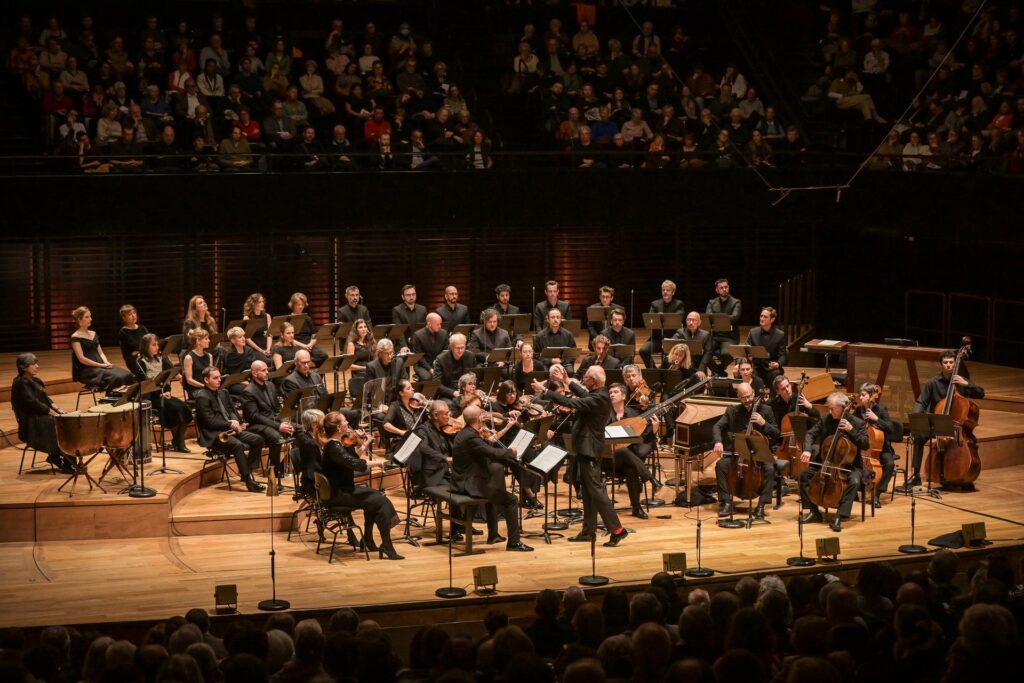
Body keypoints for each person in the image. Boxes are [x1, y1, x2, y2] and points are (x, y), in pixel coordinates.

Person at [532, 366, 629, 547]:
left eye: (585, 377)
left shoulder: (599, 397)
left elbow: (572, 403)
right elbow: (584, 393)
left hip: (590, 449)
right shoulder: (598, 393)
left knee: (596, 491)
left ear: (593, 380)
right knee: (588, 492)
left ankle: (617, 530)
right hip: (585, 448)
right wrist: (568, 381)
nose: (583, 379)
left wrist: (545, 391)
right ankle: (588, 531)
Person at [315, 411, 403, 560]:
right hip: (338, 494)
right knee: (379, 500)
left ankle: (369, 539)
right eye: (344, 421)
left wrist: (365, 443)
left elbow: (351, 458)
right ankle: (386, 545)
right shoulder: (333, 447)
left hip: (343, 489)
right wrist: (377, 462)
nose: (347, 423)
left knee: (375, 498)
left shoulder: (336, 444)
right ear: (338, 428)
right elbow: (354, 463)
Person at [452, 405, 533, 552]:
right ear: (479, 419)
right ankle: (514, 543)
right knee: (512, 500)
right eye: (483, 415)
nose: (485, 417)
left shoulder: (466, 433)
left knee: (495, 488)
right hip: (469, 485)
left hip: (464, 480)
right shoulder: (471, 437)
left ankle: (493, 534)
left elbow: (485, 447)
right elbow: (492, 452)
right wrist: (511, 452)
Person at [907, 349, 985, 487]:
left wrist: (967, 384)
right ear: (941, 364)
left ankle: (964, 474)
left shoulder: (961, 381)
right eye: (945, 362)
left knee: (970, 441)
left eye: (951, 362)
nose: (948, 365)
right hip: (938, 426)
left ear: (955, 364)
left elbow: (981, 393)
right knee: (919, 437)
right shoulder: (933, 383)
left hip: (957, 429)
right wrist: (917, 418)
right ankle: (916, 475)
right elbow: (921, 402)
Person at [798, 392, 869, 531]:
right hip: (825, 462)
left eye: (832, 408)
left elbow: (865, 444)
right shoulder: (826, 419)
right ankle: (814, 512)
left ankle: (839, 515)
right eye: (828, 408)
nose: (830, 412)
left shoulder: (857, 423)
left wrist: (851, 430)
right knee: (803, 476)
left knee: (854, 482)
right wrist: (807, 449)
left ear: (843, 407)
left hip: (850, 465)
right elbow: (810, 434)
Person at [712, 382, 779, 520]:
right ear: (738, 397)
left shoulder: (766, 410)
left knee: (770, 469)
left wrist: (763, 423)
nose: (747, 400)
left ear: (754, 393)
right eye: (743, 398)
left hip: (760, 456)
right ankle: (726, 502)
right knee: (720, 466)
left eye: (749, 396)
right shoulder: (732, 411)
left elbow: (777, 433)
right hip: (737, 454)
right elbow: (717, 426)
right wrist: (718, 441)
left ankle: (761, 506)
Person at [194, 367, 266, 493]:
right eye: (215, 378)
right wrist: (229, 424)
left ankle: (246, 472)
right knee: (237, 445)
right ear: (206, 380)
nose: (219, 380)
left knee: (258, 439)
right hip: (214, 434)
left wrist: (239, 423)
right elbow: (210, 422)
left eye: (219, 377)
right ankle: (249, 481)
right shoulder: (202, 397)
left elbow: (232, 411)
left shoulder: (223, 392)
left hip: (230, 430)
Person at [607, 382, 662, 518]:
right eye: (610, 393)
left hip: (625, 461)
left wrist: (654, 430)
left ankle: (636, 508)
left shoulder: (633, 414)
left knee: (631, 469)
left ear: (624, 396)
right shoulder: (605, 415)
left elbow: (642, 439)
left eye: (615, 392)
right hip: (607, 459)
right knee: (624, 452)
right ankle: (651, 478)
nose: (612, 394)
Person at [12, 352, 73, 472]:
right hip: (32, 421)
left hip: (39, 416)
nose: (37, 366)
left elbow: (45, 398)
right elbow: (32, 402)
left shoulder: (35, 380)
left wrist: (58, 409)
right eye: (33, 364)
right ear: (23, 367)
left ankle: (60, 458)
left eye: (36, 363)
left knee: (67, 420)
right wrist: (51, 412)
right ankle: (66, 462)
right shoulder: (21, 383)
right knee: (63, 425)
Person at [134, 333, 193, 453]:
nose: (157, 347)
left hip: (164, 394)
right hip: (151, 397)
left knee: (184, 408)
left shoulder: (161, 358)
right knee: (175, 409)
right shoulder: (140, 362)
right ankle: (179, 443)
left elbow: (168, 375)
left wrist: (167, 391)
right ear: (146, 347)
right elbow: (145, 383)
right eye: (153, 345)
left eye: (157, 345)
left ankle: (177, 441)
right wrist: (160, 394)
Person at [240, 360, 290, 486]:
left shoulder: (270, 385)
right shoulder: (248, 391)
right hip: (256, 426)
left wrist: (284, 421)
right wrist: (278, 426)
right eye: (263, 370)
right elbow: (254, 416)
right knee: (275, 436)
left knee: (300, 428)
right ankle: (274, 470)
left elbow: (278, 408)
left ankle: (287, 465)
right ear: (254, 373)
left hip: (274, 421)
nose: (267, 372)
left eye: (267, 369)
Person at [855, 383, 901, 507]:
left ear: (871, 396)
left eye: (863, 395)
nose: (861, 397)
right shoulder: (859, 410)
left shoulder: (881, 410)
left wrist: (876, 419)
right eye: (860, 395)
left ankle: (877, 493)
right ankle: (855, 490)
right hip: (863, 447)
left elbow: (891, 428)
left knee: (890, 464)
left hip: (880, 448)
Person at [70, 306, 134, 391]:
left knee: (128, 375)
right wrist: (100, 365)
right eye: (87, 317)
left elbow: (100, 353)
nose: (90, 319)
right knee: (117, 377)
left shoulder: (93, 333)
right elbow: (81, 359)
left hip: (100, 365)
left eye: (90, 316)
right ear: (79, 319)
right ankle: (111, 399)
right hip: (88, 370)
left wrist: (106, 362)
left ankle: (121, 399)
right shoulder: (75, 336)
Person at [409, 399, 454, 492]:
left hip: (447, 471)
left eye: (449, 413)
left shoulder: (445, 429)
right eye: (446, 414)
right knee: (457, 489)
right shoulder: (423, 430)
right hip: (434, 475)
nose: (448, 417)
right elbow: (423, 448)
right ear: (435, 415)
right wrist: (445, 458)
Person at [640, 280, 685, 368]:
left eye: (668, 290)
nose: (665, 292)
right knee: (643, 350)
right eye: (663, 290)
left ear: (673, 292)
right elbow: (650, 321)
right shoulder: (655, 304)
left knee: (668, 357)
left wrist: (662, 317)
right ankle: (653, 371)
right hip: (657, 338)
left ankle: (665, 372)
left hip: (672, 339)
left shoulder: (679, 304)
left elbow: (678, 319)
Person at [745, 307, 787, 390]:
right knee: (744, 371)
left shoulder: (780, 334)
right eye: (761, 316)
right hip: (756, 368)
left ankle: (772, 400)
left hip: (771, 369)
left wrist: (778, 364)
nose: (762, 318)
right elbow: (746, 348)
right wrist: (748, 355)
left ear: (772, 319)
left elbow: (783, 355)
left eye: (765, 317)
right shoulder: (753, 332)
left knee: (776, 374)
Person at [432, 333, 477, 410]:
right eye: (457, 348)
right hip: (448, 393)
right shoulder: (441, 359)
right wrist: (453, 393)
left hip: (467, 392)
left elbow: (474, 377)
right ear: (451, 347)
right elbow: (436, 384)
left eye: (462, 347)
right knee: (451, 406)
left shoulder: (470, 356)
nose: (460, 351)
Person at [706, 279, 741, 373]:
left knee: (727, 354)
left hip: (729, 337)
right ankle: (717, 371)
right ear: (717, 290)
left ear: (728, 288)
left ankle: (719, 370)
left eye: (726, 287)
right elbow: (708, 317)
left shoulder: (736, 302)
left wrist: (716, 318)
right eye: (721, 288)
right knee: (703, 352)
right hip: (714, 336)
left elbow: (734, 318)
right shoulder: (712, 302)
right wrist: (725, 318)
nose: (724, 289)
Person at [669, 311, 713, 379]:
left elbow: (708, 353)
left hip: (697, 368)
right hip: (683, 367)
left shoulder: (705, 335)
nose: (691, 322)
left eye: (694, 320)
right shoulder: (680, 332)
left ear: (699, 322)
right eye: (688, 320)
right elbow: (671, 343)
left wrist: (701, 369)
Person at [533, 308, 577, 373]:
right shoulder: (540, 336)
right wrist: (551, 360)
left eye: (558, 317)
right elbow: (535, 355)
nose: (555, 319)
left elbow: (573, 353)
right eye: (552, 317)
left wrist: (561, 361)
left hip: (563, 362)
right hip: (546, 364)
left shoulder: (568, 334)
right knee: (543, 372)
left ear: (561, 319)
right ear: (548, 319)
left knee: (570, 371)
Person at [364, 339, 406, 406]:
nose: (390, 356)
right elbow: (370, 392)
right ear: (379, 353)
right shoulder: (371, 367)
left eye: (391, 352)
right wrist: (381, 406)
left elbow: (404, 382)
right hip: (381, 404)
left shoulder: (399, 362)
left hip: (397, 402)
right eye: (386, 353)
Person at [217, 327, 256, 399]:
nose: (243, 339)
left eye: (243, 336)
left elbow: (253, 368)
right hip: (234, 383)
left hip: (248, 380)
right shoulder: (230, 354)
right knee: (251, 390)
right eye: (240, 337)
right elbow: (233, 375)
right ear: (233, 340)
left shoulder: (249, 350)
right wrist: (246, 382)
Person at [411, 312, 448, 381]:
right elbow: (419, 357)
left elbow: (445, 352)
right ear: (429, 324)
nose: (440, 326)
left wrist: (438, 366)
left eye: (440, 324)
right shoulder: (418, 335)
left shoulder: (444, 333)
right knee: (428, 377)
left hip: (439, 363)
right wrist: (430, 369)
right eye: (437, 324)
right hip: (422, 365)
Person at [343, 319, 375, 400]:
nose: (364, 329)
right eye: (360, 327)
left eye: (365, 327)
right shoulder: (352, 344)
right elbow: (349, 365)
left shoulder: (371, 342)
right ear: (356, 331)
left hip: (370, 371)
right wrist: (364, 368)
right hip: (359, 373)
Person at [391, 284, 426, 350]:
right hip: (404, 345)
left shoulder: (422, 309)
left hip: (419, 344)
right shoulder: (397, 310)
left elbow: (424, 328)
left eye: (413, 294)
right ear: (403, 297)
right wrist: (403, 346)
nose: (411, 297)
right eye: (408, 295)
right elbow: (399, 330)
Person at [182, 328, 214, 400]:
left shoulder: (209, 356)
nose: (209, 340)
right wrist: (204, 386)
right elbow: (189, 380)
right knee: (210, 396)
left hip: (206, 387)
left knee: (223, 392)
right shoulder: (189, 358)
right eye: (206, 339)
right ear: (198, 341)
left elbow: (211, 374)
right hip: (195, 390)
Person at [242, 293, 272, 358]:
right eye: (259, 302)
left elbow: (269, 334)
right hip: (254, 349)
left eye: (263, 301)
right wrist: (261, 351)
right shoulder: (247, 318)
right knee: (268, 361)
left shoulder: (267, 316)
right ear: (253, 304)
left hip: (266, 348)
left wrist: (268, 349)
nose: (262, 304)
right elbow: (247, 338)